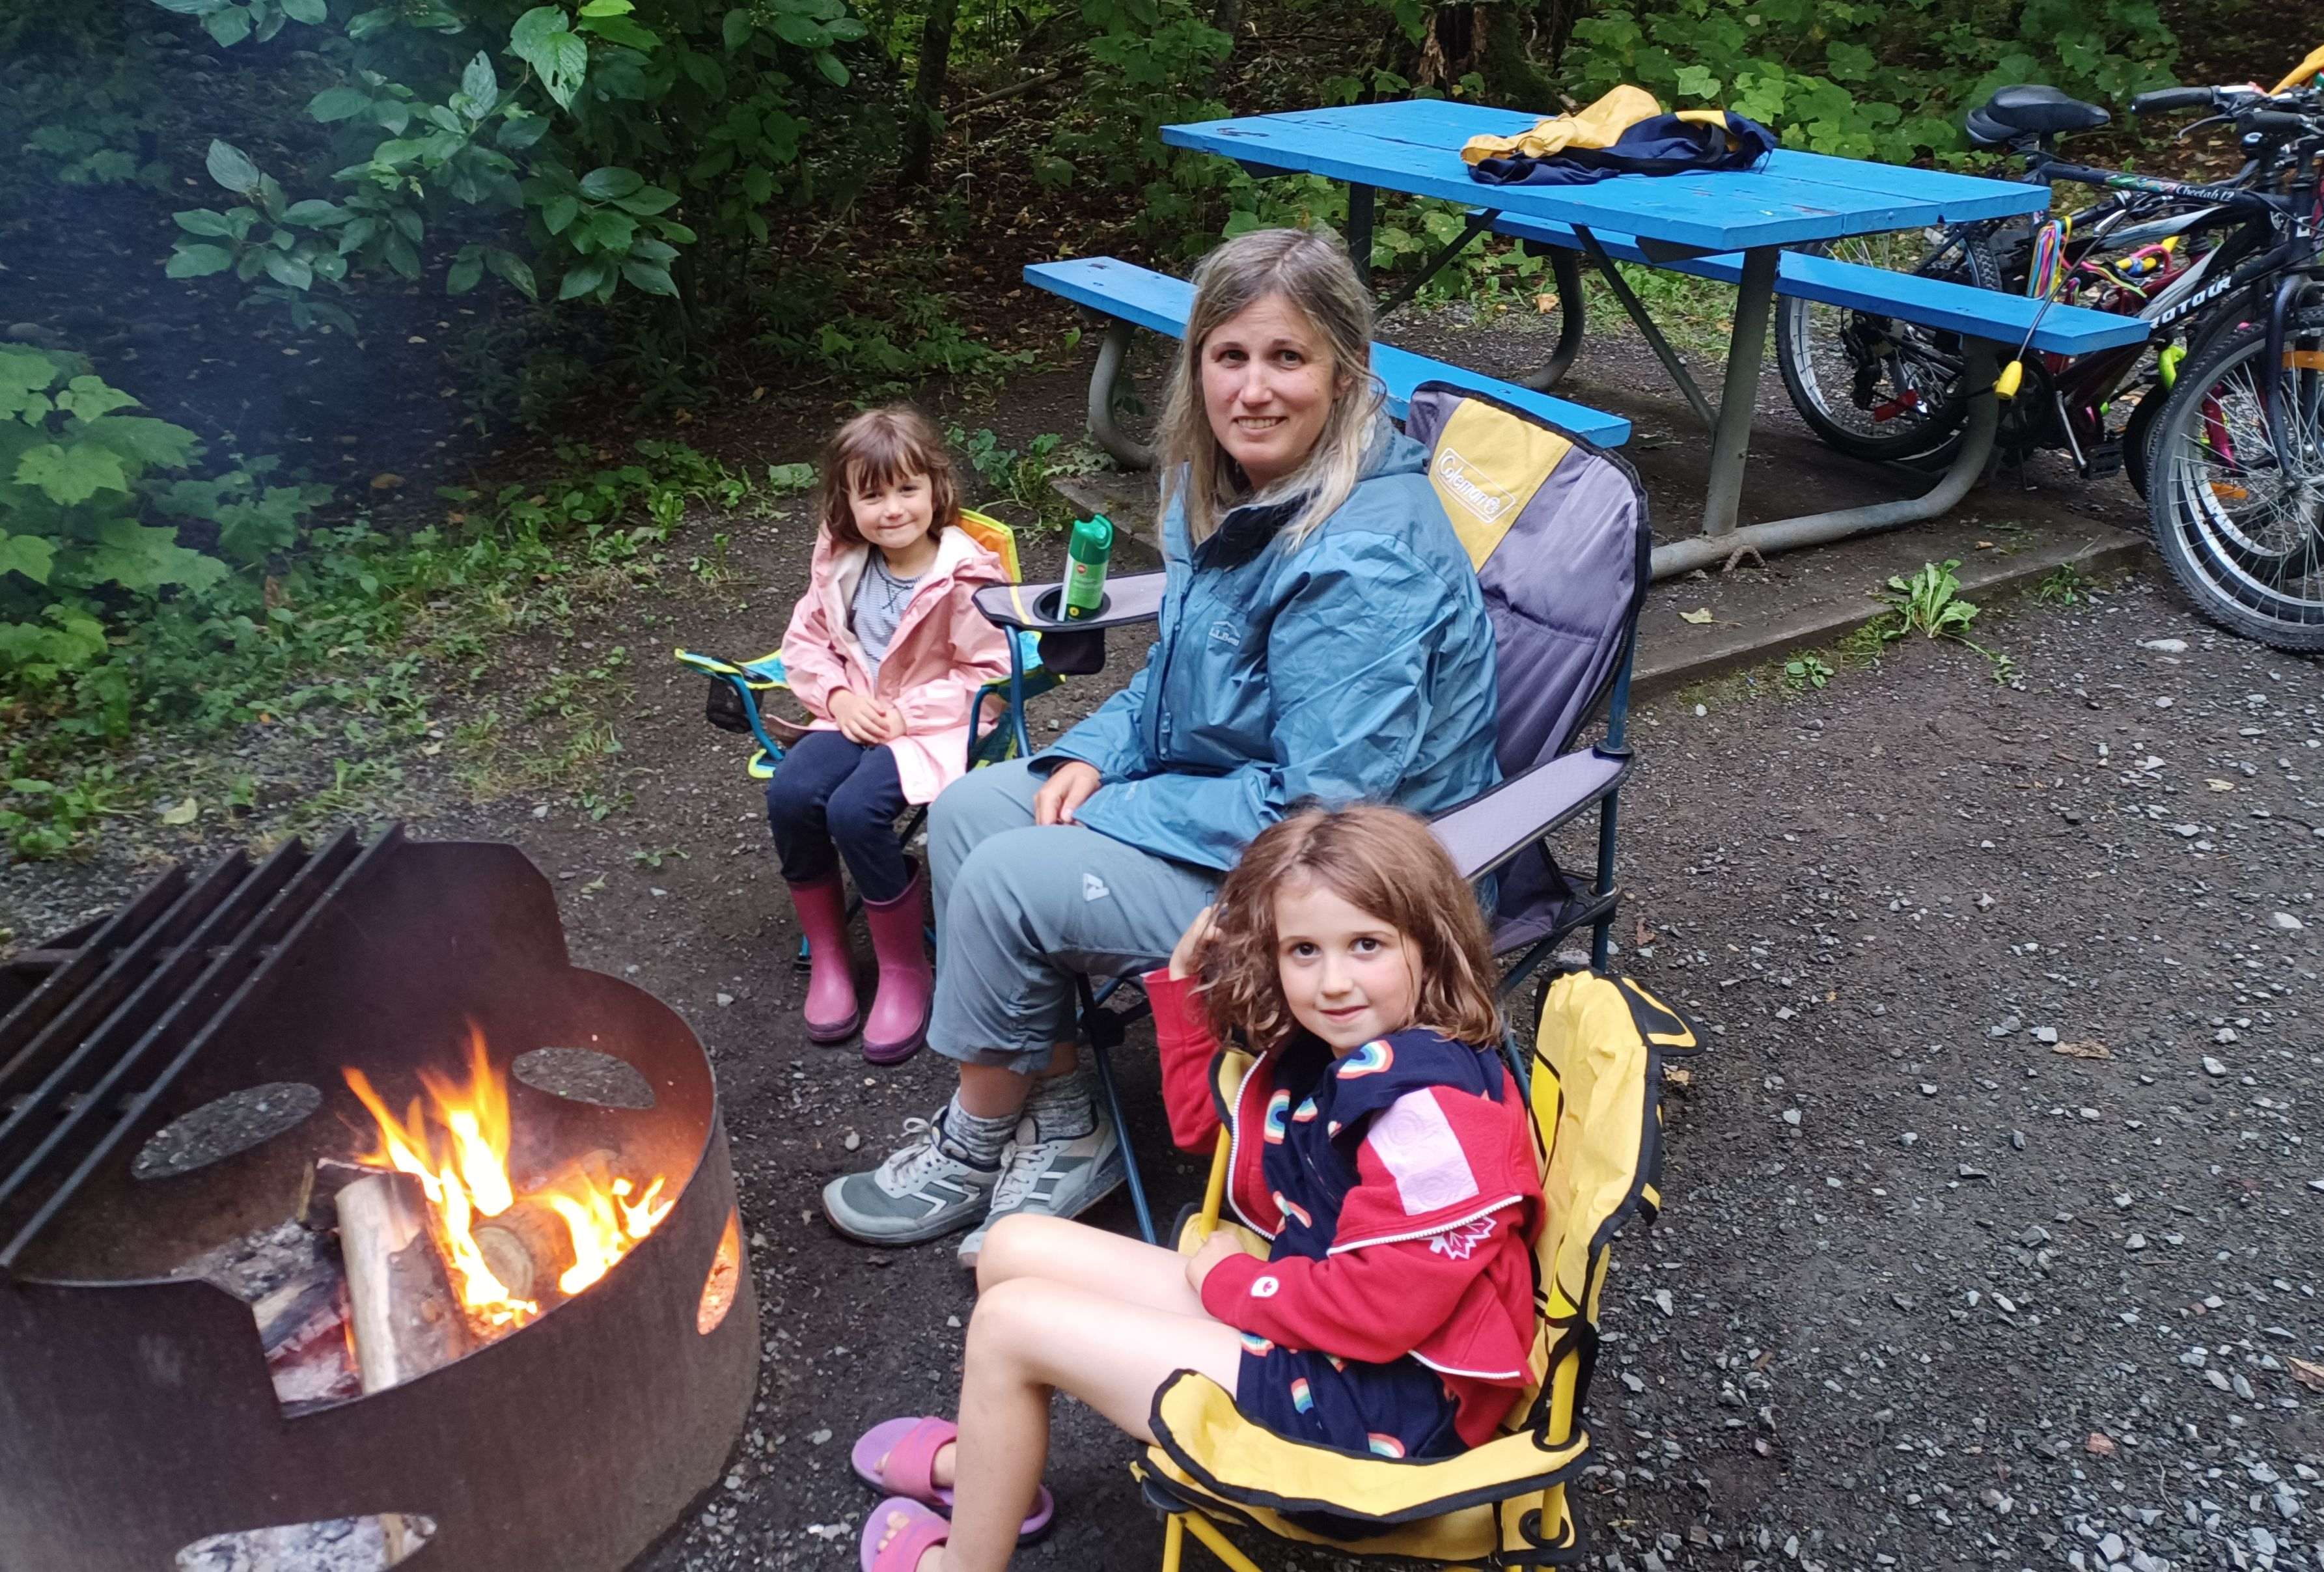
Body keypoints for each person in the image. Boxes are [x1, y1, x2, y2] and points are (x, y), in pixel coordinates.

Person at [822, 226, 1501, 1263]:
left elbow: (1322, 808)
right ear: (1197, 368)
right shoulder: (1226, 487)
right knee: (971, 806)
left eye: (1288, 357)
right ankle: (1056, 1110)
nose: (1254, 389)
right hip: (1238, 790)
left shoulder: (1363, 554)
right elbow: (1172, 675)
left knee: (1009, 875)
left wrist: (1114, 806)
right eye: (1229, 356)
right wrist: (1090, 755)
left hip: (1351, 877)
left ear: (1345, 370)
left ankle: (974, 1139)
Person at [846, 805, 1546, 1572]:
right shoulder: (1347, 1048)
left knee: (1010, 1325)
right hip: (1328, 1330)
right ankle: (995, 1468)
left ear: (1429, 942)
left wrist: (1232, 1281)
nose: (1334, 982)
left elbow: (1381, 1311)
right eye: (1304, 950)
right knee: (1010, 1249)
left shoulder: (1427, 1118)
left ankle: (962, 1563)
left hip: (1380, 1412)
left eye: (1367, 945)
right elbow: (1220, 1143)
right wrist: (1183, 989)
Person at [766, 405, 1012, 1064]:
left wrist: (908, 713)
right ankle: (830, 957)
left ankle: (905, 969)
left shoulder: (967, 575)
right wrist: (839, 695)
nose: (893, 509)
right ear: (847, 502)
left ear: (936, 489)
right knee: (791, 792)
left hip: (933, 726)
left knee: (854, 809)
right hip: (855, 713)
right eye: (872, 494)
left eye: (907, 489)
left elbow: (989, 671)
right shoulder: (843, 561)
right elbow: (806, 642)